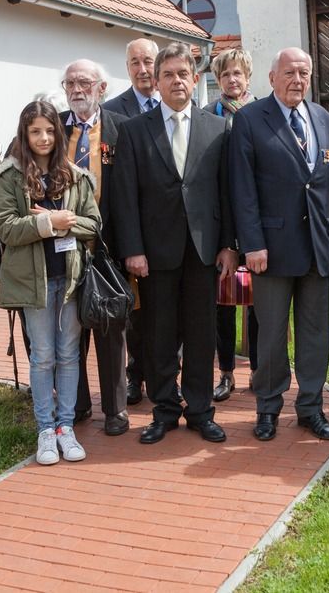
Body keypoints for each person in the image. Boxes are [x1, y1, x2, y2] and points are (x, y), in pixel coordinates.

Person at [112, 42, 237, 444]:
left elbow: (225, 193)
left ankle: (200, 410)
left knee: (202, 335)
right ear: (157, 80)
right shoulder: (132, 131)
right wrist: (132, 248)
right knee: (158, 334)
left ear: (196, 78)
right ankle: (164, 409)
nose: (176, 81)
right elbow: (124, 195)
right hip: (154, 252)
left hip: (203, 251)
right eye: (168, 74)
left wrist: (228, 245)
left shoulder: (217, 128)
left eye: (183, 73)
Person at [230, 47, 329, 442]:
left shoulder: (325, 120)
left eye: (304, 73)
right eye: (290, 72)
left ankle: (310, 407)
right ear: (272, 78)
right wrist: (252, 244)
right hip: (271, 251)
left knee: (315, 333)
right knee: (273, 335)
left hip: (317, 248)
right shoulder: (249, 120)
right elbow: (242, 189)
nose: (298, 80)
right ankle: (268, 408)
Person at [0, 101, 101, 464]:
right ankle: (44, 429)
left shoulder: (75, 175)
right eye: (35, 131)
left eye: (50, 130)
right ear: (24, 134)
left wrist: (63, 220)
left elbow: (93, 224)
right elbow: (6, 227)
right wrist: (47, 224)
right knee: (42, 356)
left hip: (69, 279)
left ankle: (65, 427)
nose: (43, 138)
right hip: (33, 282)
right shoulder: (10, 175)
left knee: (69, 354)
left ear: (59, 133)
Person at [59, 59, 131, 435]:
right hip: (60, 249)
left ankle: (116, 410)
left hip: (108, 248)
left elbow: (133, 194)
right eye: (70, 82)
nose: (76, 89)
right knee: (69, 331)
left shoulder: (121, 129)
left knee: (110, 330)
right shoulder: (51, 127)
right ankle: (77, 404)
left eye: (84, 82)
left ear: (101, 88)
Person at [102, 37, 161, 404]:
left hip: (169, 225)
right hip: (131, 226)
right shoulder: (113, 111)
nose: (143, 69)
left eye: (148, 61)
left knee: (165, 309)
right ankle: (135, 374)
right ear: (127, 68)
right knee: (135, 311)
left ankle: (162, 373)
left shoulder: (178, 102)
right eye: (135, 62)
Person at [206, 48, 259, 401]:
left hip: (256, 221)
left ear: (248, 77)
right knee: (222, 304)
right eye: (226, 75)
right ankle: (226, 372)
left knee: (259, 303)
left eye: (238, 73)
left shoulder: (261, 114)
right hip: (220, 220)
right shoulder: (207, 116)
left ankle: (258, 369)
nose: (232, 80)